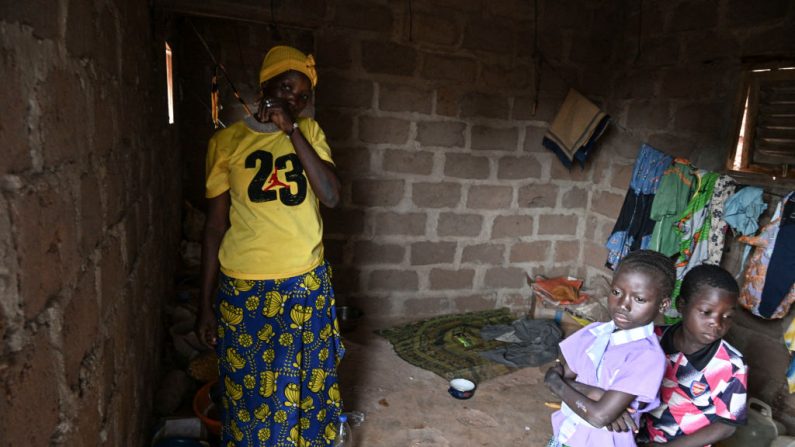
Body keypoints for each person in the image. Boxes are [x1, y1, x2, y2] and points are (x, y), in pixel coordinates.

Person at [195, 45, 345, 447]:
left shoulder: (309, 134)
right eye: (286, 87)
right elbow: (214, 226)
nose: (294, 99)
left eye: (302, 96)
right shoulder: (227, 142)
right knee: (250, 394)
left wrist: (292, 130)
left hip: (304, 285)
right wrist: (204, 302)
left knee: (305, 390)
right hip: (244, 289)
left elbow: (330, 195)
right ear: (264, 86)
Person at [544, 249, 675, 447]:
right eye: (616, 292)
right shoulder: (596, 333)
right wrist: (598, 396)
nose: (623, 305)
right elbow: (566, 376)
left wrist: (554, 382)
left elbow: (598, 416)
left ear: (663, 305)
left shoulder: (646, 356)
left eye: (639, 299)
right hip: (567, 435)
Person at [638, 264, 747, 447]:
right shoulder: (653, 338)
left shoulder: (731, 365)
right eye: (706, 313)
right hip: (638, 434)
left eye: (727, 316)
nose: (717, 323)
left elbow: (727, 424)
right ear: (681, 305)